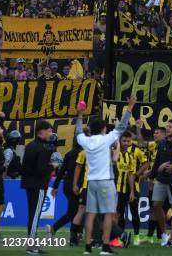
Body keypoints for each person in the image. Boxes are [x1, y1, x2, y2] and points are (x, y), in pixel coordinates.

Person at [75, 97, 134, 255]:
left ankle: (88, 247)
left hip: (91, 182)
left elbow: (78, 132)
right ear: (103, 128)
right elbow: (121, 127)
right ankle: (105, 247)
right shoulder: (106, 139)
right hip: (106, 182)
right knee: (109, 214)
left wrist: (79, 115)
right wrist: (130, 107)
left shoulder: (85, 141)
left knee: (91, 214)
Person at [21, 120, 57, 255]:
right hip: (38, 184)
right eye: (49, 130)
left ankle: (32, 244)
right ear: (41, 131)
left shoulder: (30, 145)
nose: (51, 133)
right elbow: (42, 169)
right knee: (35, 216)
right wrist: (52, 166)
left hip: (29, 184)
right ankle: (31, 246)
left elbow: (25, 167)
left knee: (32, 215)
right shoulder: (42, 148)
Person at [149, 119, 172, 247]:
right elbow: (157, 161)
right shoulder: (162, 143)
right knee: (156, 205)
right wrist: (151, 176)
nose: (168, 128)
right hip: (160, 179)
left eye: (170, 127)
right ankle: (164, 234)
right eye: (167, 127)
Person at [48, 136, 83, 241]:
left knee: (76, 210)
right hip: (76, 185)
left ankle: (77, 234)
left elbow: (62, 171)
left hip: (67, 185)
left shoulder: (69, 153)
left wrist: (55, 186)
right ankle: (55, 229)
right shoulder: (82, 154)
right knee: (74, 212)